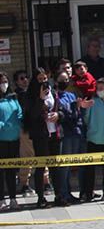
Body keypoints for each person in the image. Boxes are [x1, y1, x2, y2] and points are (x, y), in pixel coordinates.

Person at [24, 72, 60, 209]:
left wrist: (58, 114)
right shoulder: (31, 96)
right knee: (41, 166)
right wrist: (40, 99)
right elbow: (32, 114)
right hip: (40, 134)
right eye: (40, 79)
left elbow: (59, 108)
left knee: (55, 167)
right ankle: (41, 197)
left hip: (54, 133)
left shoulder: (53, 93)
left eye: (45, 79)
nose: (43, 82)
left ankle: (58, 195)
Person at [52, 74, 84, 206]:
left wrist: (71, 110)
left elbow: (76, 113)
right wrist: (69, 111)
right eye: (61, 80)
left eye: (66, 80)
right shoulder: (55, 96)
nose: (64, 82)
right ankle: (62, 194)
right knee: (63, 167)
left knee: (70, 165)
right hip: (64, 134)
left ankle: (69, 193)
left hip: (75, 132)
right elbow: (61, 113)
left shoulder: (71, 95)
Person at [0, 73, 23, 211]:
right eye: (1, 82)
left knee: (11, 170)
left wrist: (19, 122)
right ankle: (1, 198)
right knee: (1, 171)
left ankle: (13, 198)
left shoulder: (13, 98)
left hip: (14, 139)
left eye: (5, 81)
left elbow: (19, 113)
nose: (4, 84)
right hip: (1, 140)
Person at [12, 70, 33, 195]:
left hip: (36, 128)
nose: (25, 80)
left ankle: (46, 182)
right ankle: (24, 183)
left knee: (39, 155)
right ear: (16, 81)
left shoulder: (32, 92)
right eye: (21, 78)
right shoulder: (16, 95)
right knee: (26, 156)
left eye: (26, 77)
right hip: (24, 128)